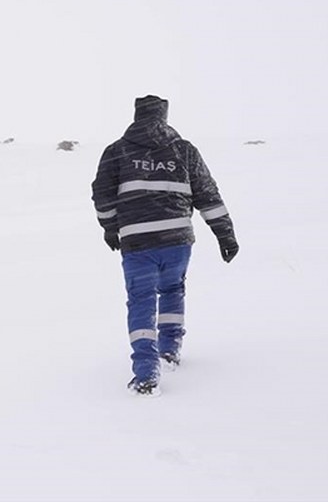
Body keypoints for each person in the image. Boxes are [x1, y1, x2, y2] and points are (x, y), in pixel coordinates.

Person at [91, 95, 238, 397]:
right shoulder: (183, 151)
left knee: (141, 301)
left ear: (136, 115)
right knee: (172, 291)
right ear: (164, 117)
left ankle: (146, 373)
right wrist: (225, 234)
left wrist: (109, 228)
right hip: (177, 241)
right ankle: (169, 350)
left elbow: (102, 194)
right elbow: (208, 194)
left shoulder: (117, 151)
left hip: (138, 242)